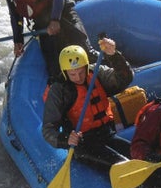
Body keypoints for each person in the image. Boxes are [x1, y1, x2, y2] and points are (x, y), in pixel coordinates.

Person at [42, 39, 133, 171]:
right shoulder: (59, 91)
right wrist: (66, 139)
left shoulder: (97, 72)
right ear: (65, 72)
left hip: (107, 135)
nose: (78, 77)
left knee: (138, 154)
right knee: (121, 165)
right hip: (83, 144)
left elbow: (125, 78)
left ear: (86, 66)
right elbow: (48, 130)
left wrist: (114, 56)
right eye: (72, 74)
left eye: (81, 72)